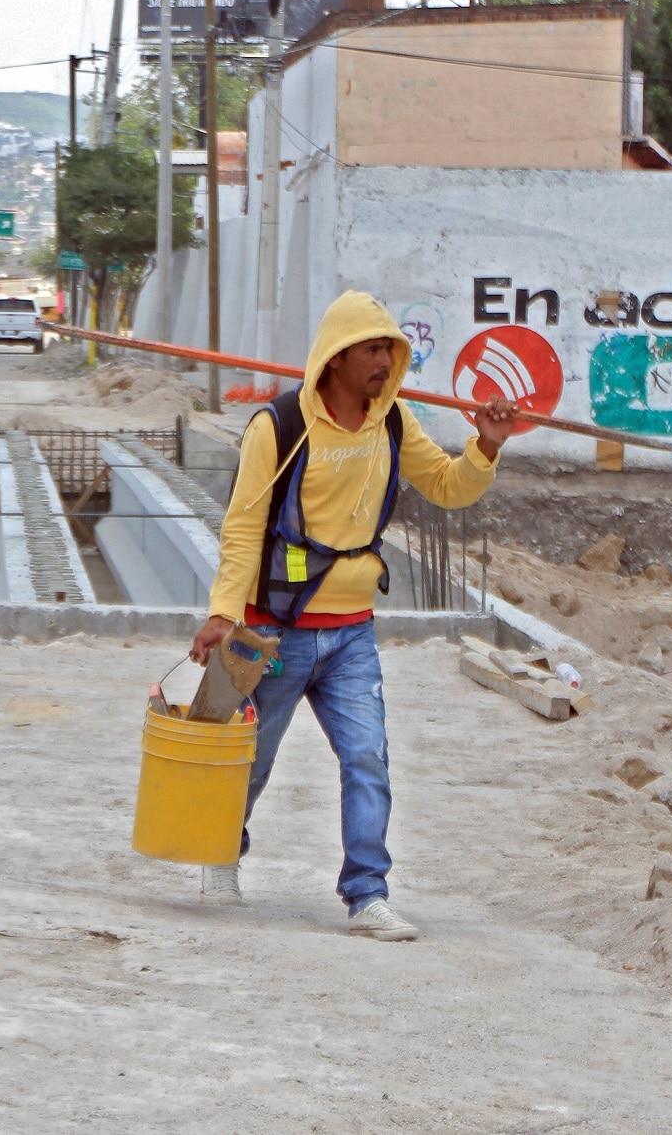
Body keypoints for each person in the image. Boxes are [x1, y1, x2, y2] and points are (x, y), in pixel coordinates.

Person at [190, 290, 517, 941]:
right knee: (250, 761)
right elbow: (242, 526)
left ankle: (366, 893)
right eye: (372, 348)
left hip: (350, 633)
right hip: (272, 632)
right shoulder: (277, 427)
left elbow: (449, 487)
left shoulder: (392, 422)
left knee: (366, 755)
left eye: (389, 350)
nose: (384, 361)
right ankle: (221, 853)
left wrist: (485, 443)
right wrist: (223, 613)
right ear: (335, 358)